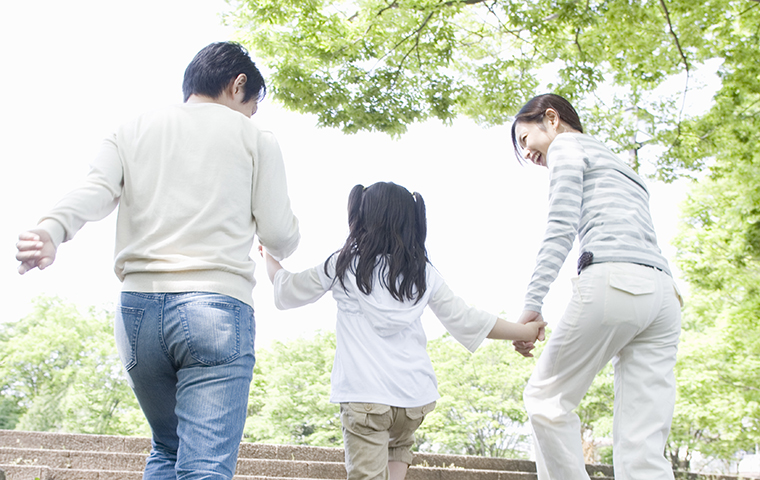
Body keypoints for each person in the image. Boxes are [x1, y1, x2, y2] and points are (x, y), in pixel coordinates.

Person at [15, 42, 300, 480]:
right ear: (238, 84)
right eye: (252, 106)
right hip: (215, 310)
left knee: (168, 450)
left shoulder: (132, 128)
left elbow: (95, 189)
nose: (250, 117)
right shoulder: (256, 138)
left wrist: (51, 229)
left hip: (138, 315)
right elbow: (280, 235)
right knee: (204, 466)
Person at [260, 181, 545, 480]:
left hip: (365, 398)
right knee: (397, 454)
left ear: (361, 217)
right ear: (411, 222)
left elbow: (288, 290)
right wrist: (524, 332)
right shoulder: (421, 273)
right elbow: (467, 319)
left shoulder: (344, 265)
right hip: (413, 400)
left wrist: (269, 257)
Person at [510, 93, 683, 480]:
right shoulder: (620, 165)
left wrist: (532, 304)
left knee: (546, 400)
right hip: (664, 296)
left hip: (616, 282)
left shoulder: (567, 147)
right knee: (642, 441)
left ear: (550, 119)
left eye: (525, 140)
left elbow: (559, 228)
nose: (528, 154)